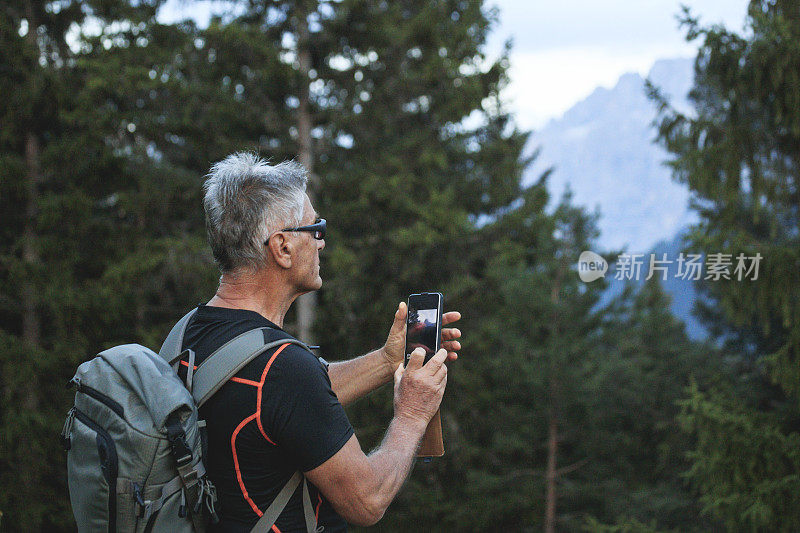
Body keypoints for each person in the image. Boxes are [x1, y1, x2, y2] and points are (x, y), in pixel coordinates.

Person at [176, 152, 462, 532]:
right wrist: (411, 415)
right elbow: (368, 500)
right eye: (315, 228)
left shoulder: (189, 334)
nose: (321, 242)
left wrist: (387, 360)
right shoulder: (282, 370)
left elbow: (284, 408)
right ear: (282, 247)